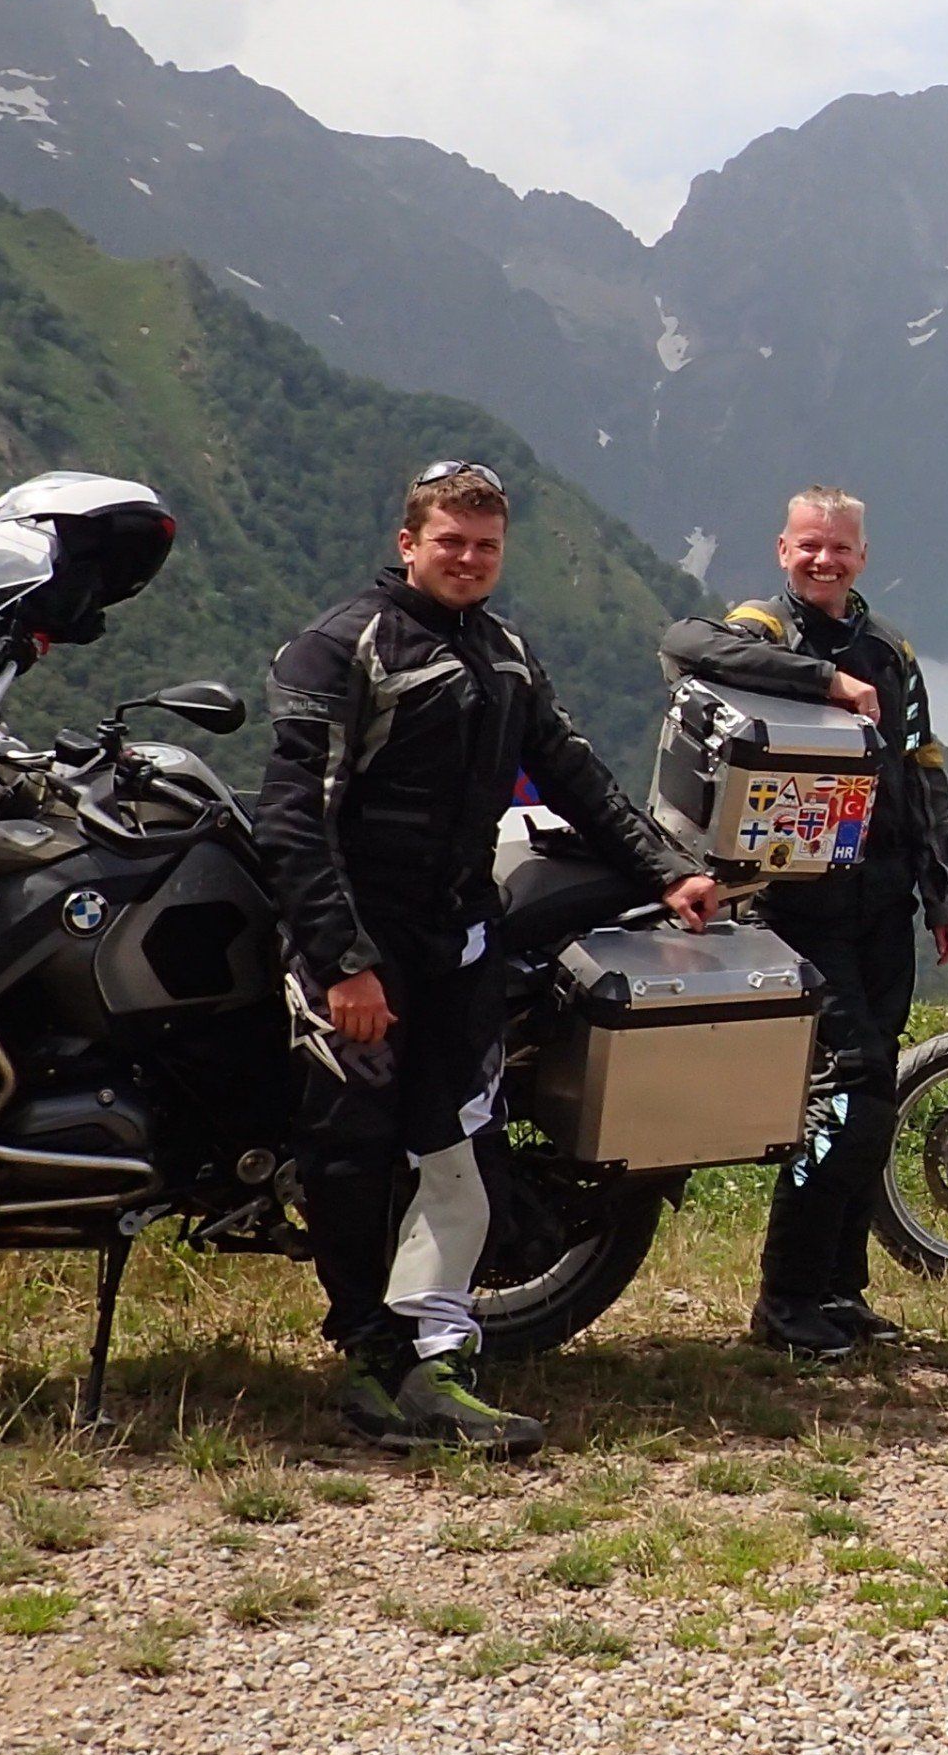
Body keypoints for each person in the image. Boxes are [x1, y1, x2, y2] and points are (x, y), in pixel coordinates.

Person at [256, 462, 718, 1453]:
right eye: (449, 542)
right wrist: (343, 962)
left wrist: (665, 868)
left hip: (459, 936)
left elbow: (570, 769)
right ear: (407, 542)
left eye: (485, 547)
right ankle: (369, 1357)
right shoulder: (341, 647)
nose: (467, 561)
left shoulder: (503, 652)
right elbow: (293, 817)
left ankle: (435, 1366)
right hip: (358, 942)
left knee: (456, 1149)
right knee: (350, 1154)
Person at [659, 487, 948, 1357]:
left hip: (884, 905)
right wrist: (824, 682)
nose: (824, 561)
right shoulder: (760, 627)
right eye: (809, 547)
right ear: (783, 549)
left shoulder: (890, 650)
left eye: (839, 548)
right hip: (797, 904)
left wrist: (946, 896)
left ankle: (840, 1290)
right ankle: (786, 1295)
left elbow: (921, 771)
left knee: (871, 1100)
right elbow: (684, 645)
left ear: (863, 557)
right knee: (854, 1087)